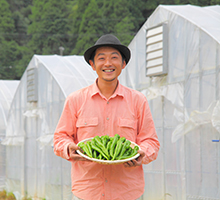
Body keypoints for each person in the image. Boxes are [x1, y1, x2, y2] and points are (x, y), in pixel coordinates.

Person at [53, 34, 160, 200]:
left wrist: (141, 153)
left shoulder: (138, 100)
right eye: (101, 58)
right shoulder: (76, 100)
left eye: (114, 58)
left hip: (127, 193)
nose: (108, 63)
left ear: (123, 64)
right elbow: (61, 137)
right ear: (92, 65)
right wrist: (69, 148)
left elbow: (151, 141)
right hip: (87, 193)